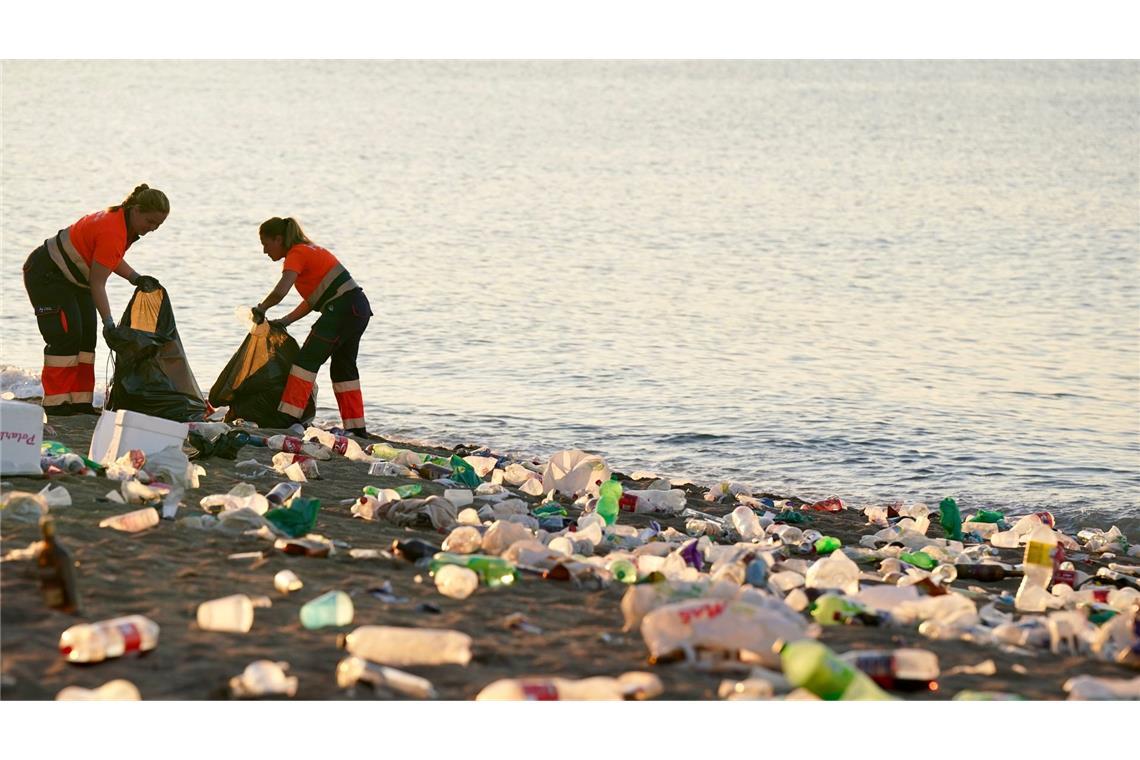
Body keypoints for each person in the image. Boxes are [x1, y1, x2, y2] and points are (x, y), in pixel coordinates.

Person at [23, 184, 169, 416]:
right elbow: (98, 283)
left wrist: (135, 278)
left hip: (74, 279)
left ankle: (80, 401)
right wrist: (109, 322)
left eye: (158, 225)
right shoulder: (113, 229)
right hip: (47, 275)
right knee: (66, 336)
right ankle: (56, 402)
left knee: (87, 338)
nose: (152, 229)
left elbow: (108, 258)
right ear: (137, 210)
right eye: (150, 222)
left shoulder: (125, 223)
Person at [251, 216, 375, 439]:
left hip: (341, 310)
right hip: (358, 308)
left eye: (265, 244)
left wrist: (262, 308)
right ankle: (356, 428)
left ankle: (289, 419)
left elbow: (281, 290)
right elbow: (312, 299)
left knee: (305, 362)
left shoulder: (296, 253)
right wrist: (286, 320)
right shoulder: (310, 250)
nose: (264, 251)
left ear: (278, 239)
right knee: (343, 369)